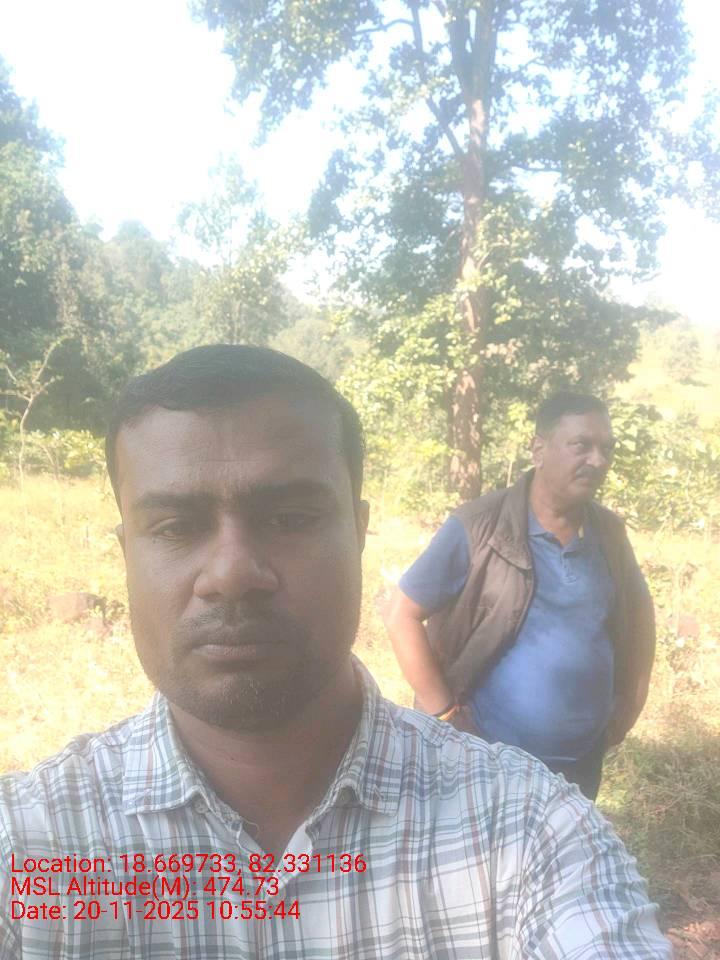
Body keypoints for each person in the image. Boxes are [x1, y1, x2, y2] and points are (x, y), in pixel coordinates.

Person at [0, 352, 669, 958]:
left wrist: (622, 709)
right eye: (174, 527)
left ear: (359, 532)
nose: (231, 573)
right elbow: (408, 610)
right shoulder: (27, 845)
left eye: (290, 518)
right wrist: (445, 707)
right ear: (127, 554)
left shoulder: (528, 830)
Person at [384, 393, 656, 802]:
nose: (598, 460)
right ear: (538, 449)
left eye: (607, 448)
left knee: (565, 846)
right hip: (490, 762)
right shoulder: (480, 526)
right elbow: (400, 614)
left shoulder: (610, 534)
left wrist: (630, 706)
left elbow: (638, 621)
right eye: (581, 445)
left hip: (580, 766)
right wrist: (445, 714)